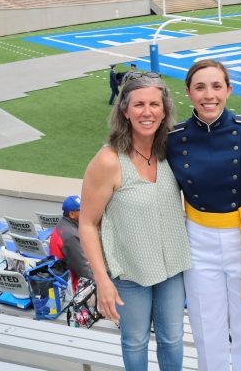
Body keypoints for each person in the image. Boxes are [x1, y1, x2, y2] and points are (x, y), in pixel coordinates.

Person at [79, 72, 192, 371]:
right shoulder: (109, 160)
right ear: (125, 111)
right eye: (139, 104)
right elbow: (88, 223)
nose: (147, 112)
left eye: (155, 104)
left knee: (173, 339)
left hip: (171, 269)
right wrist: (102, 280)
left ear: (164, 110)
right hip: (130, 274)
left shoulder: (170, 152)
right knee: (135, 342)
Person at [166, 59, 241, 371]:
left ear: (229, 90)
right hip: (198, 240)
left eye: (217, 86)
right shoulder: (171, 138)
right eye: (200, 87)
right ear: (188, 92)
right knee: (207, 331)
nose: (209, 95)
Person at [49, 195, 93, 292]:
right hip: (69, 284)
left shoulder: (63, 222)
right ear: (72, 214)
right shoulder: (70, 236)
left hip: (59, 272)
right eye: (81, 210)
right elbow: (84, 271)